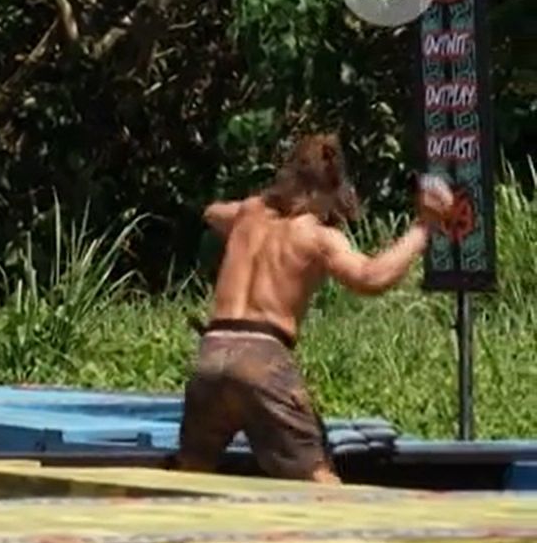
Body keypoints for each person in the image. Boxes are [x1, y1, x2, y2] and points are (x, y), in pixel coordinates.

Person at [176, 133, 449, 484]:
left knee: (191, 473)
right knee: (319, 480)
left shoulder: (248, 211)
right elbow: (371, 278)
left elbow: (212, 212)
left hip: (211, 355)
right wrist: (423, 228)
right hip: (262, 358)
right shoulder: (318, 238)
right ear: (330, 190)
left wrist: (248, 224)